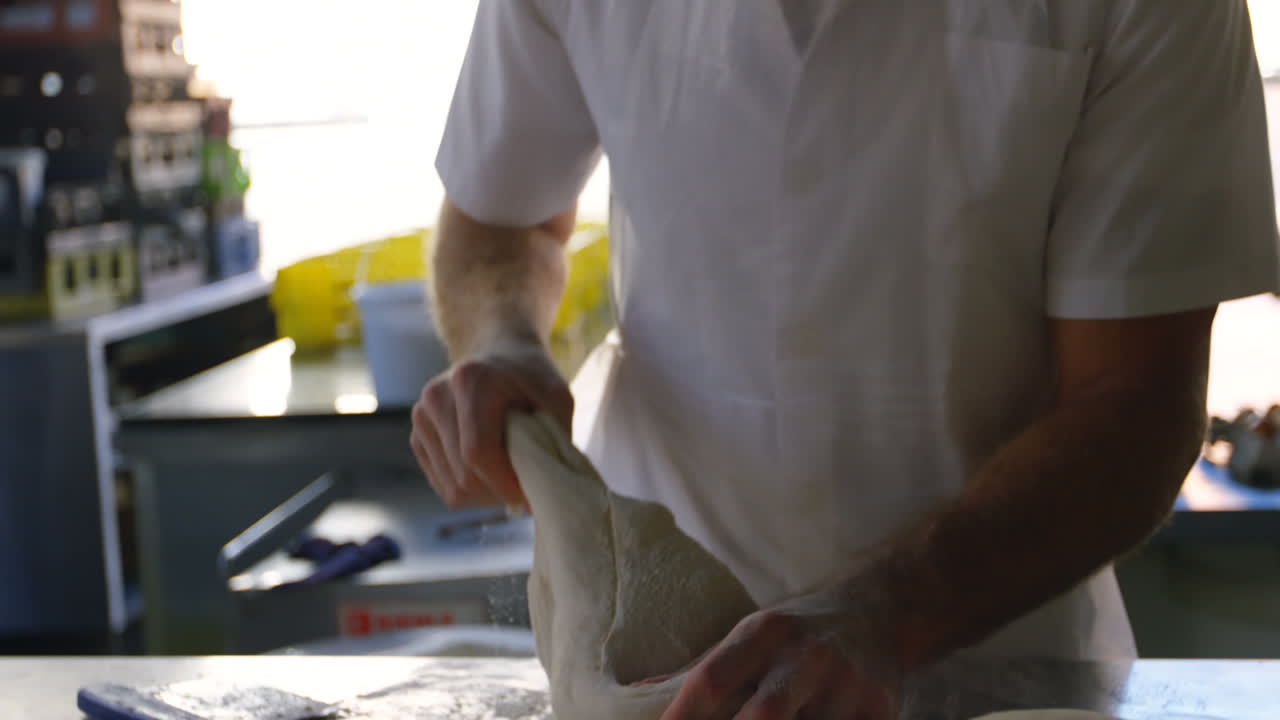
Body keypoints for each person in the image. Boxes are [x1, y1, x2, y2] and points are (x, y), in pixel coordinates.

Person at [411, 2, 1279, 717]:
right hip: (654, 660)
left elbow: (1135, 398)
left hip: (994, 655)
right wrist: (501, 340)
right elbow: (502, 222)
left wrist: (888, 611)